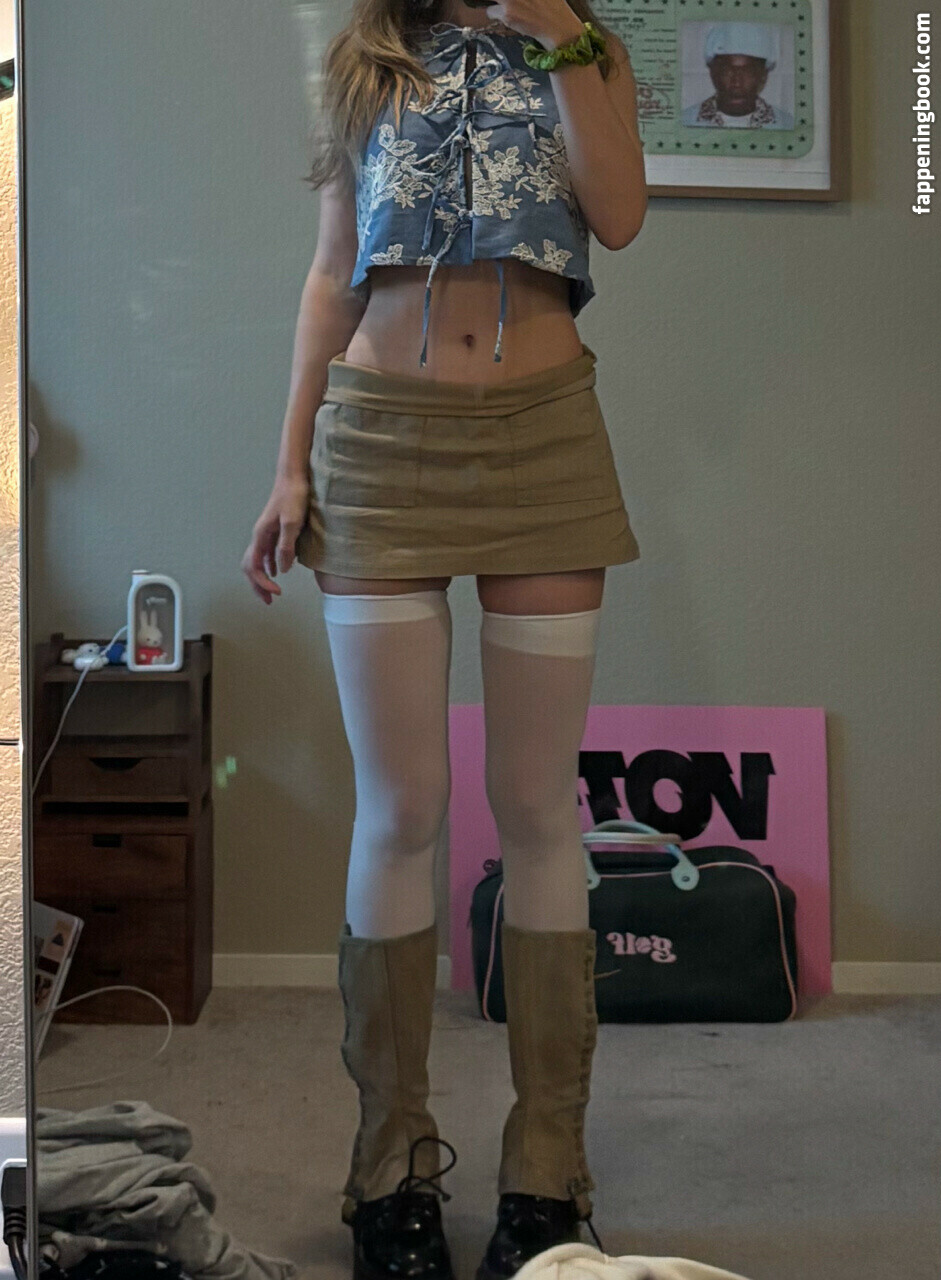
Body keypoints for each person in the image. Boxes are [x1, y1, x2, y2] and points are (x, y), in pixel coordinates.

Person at [241, 2, 647, 1278]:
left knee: (536, 806)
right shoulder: (364, 60)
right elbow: (332, 269)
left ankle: (548, 1176)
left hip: (545, 435)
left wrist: (560, 30)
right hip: (377, 438)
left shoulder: (587, 49)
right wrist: (290, 466)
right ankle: (390, 1171)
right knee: (400, 806)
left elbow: (620, 216)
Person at [681, 22, 794, 129]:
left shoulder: (788, 125)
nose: (737, 81)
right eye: (727, 70)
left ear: (763, 75)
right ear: (713, 73)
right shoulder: (684, 121)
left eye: (748, 71)